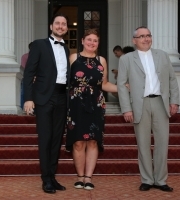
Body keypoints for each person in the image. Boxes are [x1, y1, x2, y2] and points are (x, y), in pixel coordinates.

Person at [117, 26, 179, 192]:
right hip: (140, 104)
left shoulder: (162, 55)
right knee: (143, 144)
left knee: (162, 143)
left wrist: (175, 101)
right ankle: (146, 179)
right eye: (142, 36)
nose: (146, 39)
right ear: (134, 40)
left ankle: (160, 180)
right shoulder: (126, 59)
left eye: (148, 35)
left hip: (160, 102)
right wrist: (126, 109)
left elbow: (172, 80)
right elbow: (122, 85)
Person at [23, 13, 70, 194]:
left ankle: (52, 176)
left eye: (63, 24)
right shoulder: (39, 45)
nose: (60, 26)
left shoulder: (66, 49)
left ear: (66, 28)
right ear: (51, 26)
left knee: (57, 139)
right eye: (57, 23)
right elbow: (29, 73)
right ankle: (46, 179)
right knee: (46, 138)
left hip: (61, 98)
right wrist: (29, 98)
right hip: (43, 98)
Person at [65, 29, 118, 190]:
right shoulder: (73, 57)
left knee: (93, 141)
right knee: (78, 142)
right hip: (76, 103)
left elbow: (104, 84)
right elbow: (64, 80)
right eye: (89, 39)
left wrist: (124, 88)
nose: (92, 43)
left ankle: (88, 177)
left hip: (96, 103)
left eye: (95, 40)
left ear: (98, 43)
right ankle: (80, 177)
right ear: (82, 40)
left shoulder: (102, 60)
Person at [20, 42, 32, 109]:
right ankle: (23, 108)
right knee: (24, 93)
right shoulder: (25, 56)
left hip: (37, 79)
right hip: (27, 78)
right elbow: (24, 68)